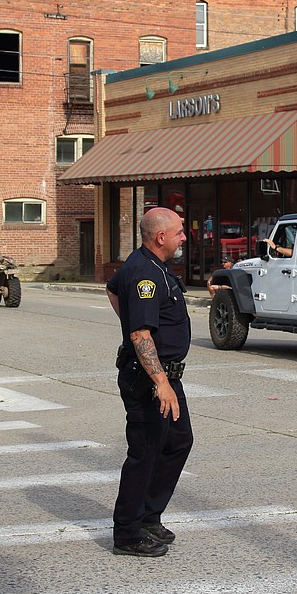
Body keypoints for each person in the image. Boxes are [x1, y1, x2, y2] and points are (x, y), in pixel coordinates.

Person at [105, 207, 193, 557]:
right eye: (180, 231)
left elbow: (112, 291)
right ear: (161, 237)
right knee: (144, 451)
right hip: (149, 378)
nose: (184, 236)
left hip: (165, 374)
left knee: (177, 442)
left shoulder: (150, 265)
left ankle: (148, 515)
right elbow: (140, 333)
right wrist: (160, 381)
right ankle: (127, 532)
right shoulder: (144, 272)